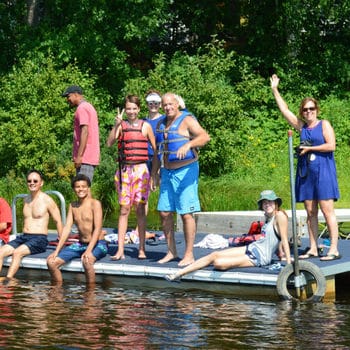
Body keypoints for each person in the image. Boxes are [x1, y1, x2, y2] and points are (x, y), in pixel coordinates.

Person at [270, 74, 340, 261]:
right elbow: (284, 110)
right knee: (310, 212)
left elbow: (331, 145)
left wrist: (309, 148)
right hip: (306, 173)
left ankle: (333, 248)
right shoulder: (301, 127)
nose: (309, 112)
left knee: (327, 211)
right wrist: (275, 89)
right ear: (302, 112)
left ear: (316, 110)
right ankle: (314, 248)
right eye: (305, 110)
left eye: (311, 109)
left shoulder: (323, 124)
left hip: (323, 172)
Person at [165, 190, 292, 281]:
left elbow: (284, 239)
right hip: (252, 248)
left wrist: (287, 262)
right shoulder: (268, 217)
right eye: (265, 202)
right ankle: (179, 273)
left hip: (259, 258)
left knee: (219, 263)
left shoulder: (280, 216)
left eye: (270, 202)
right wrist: (280, 255)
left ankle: (184, 272)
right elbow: (275, 239)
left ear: (276, 203)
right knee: (214, 254)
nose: (267, 205)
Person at [153, 92, 210, 266]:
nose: (168, 107)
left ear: (177, 104)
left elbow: (204, 137)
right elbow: (158, 152)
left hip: (186, 170)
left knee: (186, 213)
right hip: (167, 172)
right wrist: (154, 174)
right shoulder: (161, 123)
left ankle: (189, 254)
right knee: (164, 212)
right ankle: (171, 251)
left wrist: (188, 144)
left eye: (171, 104)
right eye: (165, 105)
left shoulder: (186, 119)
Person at [106, 95, 157, 260]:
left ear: (139, 109)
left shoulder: (146, 126)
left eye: (134, 108)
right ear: (125, 110)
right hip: (124, 172)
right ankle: (120, 250)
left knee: (141, 210)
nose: (131, 111)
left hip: (141, 171)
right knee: (124, 210)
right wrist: (116, 125)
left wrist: (155, 174)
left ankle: (142, 248)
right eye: (128, 108)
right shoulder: (121, 126)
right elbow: (109, 143)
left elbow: (156, 151)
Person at [0, 170, 63, 278]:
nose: (32, 183)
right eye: (29, 181)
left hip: (39, 239)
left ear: (41, 183)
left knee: (17, 253)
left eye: (35, 181)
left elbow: (58, 221)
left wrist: (60, 245)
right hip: (24, 237)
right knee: (1, 251)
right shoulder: (26, 200)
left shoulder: (47, 200)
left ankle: (8, 281)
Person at [47, 174, 108, 284]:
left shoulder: (95, 204)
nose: (81, 189)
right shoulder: (73, 206)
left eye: (83, 186)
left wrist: (88, 251)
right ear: (74, 189)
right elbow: (67, 229)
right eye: (78, 187)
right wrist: (57, 251)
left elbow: (98, 228)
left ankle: (90, 295)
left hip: (98, 244)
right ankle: (58, 291)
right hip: (80, 244)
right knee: (51, 262)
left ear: (88, 188)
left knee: (87, 261)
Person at [62, 85, 100, 183]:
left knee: (82, 188)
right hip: (89, 156)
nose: (67, 99)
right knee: (84, 188)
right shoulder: (88, 106)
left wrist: (79, 156)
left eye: (68, 96)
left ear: (75, 94)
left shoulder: (82, 108)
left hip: (85, 157)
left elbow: (85, 131)